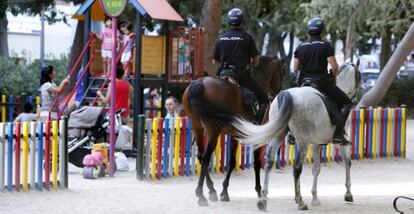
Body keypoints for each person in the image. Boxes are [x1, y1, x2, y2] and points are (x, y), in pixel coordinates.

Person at [293, 17, 352, 144]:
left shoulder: (300, 46)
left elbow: (295, 68)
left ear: (308, 31)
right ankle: (338, 134)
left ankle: (291, 134)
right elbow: (334, 67)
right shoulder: (325, 46)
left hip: (303, 82)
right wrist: (334, 78)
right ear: (321, 32)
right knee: (347, 103)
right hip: (321, 82)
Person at [213, 8, 268, 114]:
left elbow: (215, 61)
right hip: (241, 76)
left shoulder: (221, 38)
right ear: (242, 22)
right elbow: (255, 60)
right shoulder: (247, 38)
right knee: (263, 99)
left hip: (223, 75)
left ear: (229, 22)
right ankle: (257, 119)